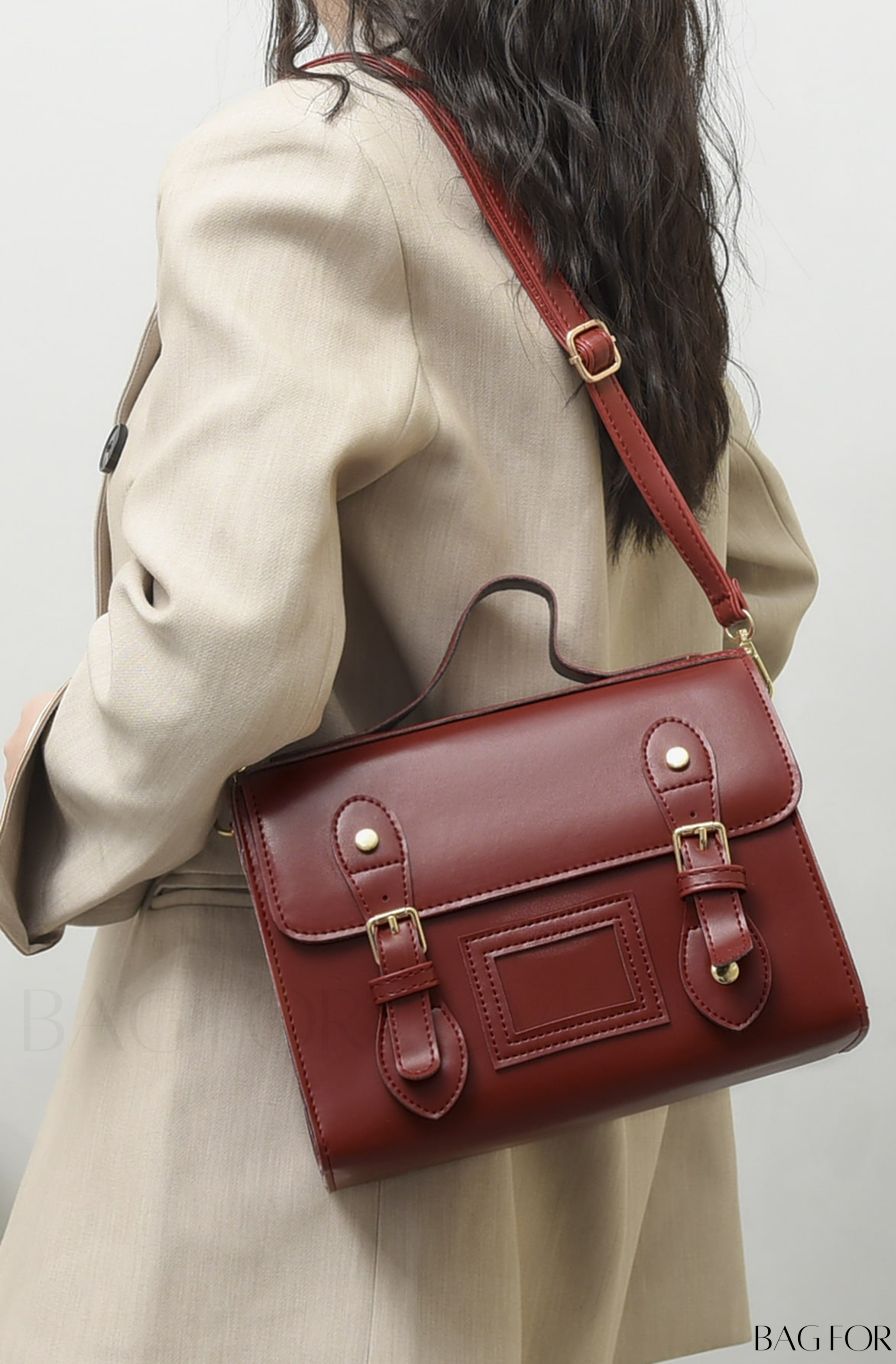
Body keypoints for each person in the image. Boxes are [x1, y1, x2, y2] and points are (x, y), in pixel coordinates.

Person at [0, 2, 819, 1360]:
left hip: (289, 1109)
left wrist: (34, 815)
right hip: (591, 1102)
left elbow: (218, 651)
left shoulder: (305, 170)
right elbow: (760, 579)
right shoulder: (596, 195)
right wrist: (555, 813)